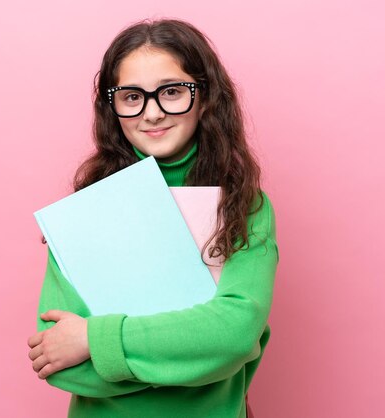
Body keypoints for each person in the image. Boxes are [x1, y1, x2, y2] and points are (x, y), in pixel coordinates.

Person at [27, 18, 279, 418]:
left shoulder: (244, 205)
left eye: (172, 92)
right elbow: (57, 361)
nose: (154, 113)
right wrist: (197, 355)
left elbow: (234, 335)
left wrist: (95, 339)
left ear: (206, 96)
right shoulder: (84, 210)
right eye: (131, 97)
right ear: (112, 107)